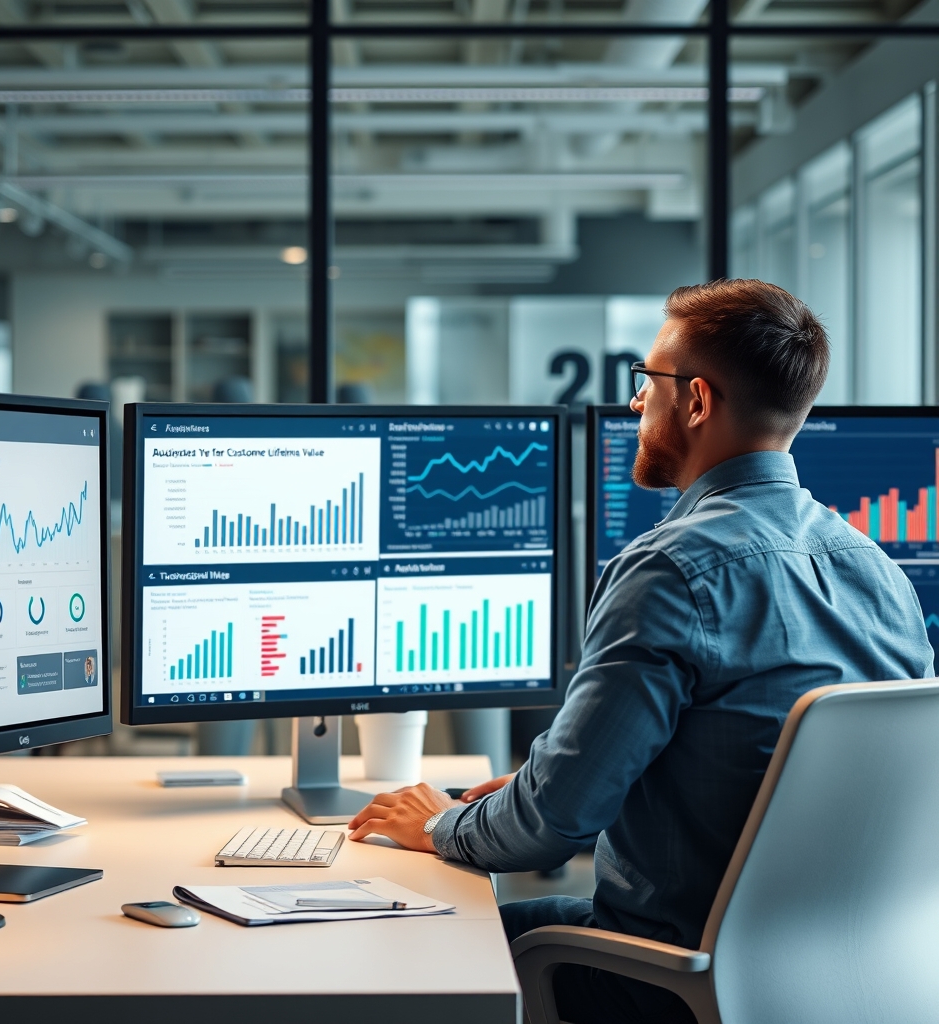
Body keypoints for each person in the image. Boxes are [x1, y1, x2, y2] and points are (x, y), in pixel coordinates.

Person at [347, 279, 934, 1024]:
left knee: (418, 933)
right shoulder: (878, 570)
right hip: (841, 975)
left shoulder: (672, 569)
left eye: (646, 381)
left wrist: (436, 822)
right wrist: (547, 776)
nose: (633, 404)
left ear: (695, 401)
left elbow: (551, 829)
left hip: (674, 977)